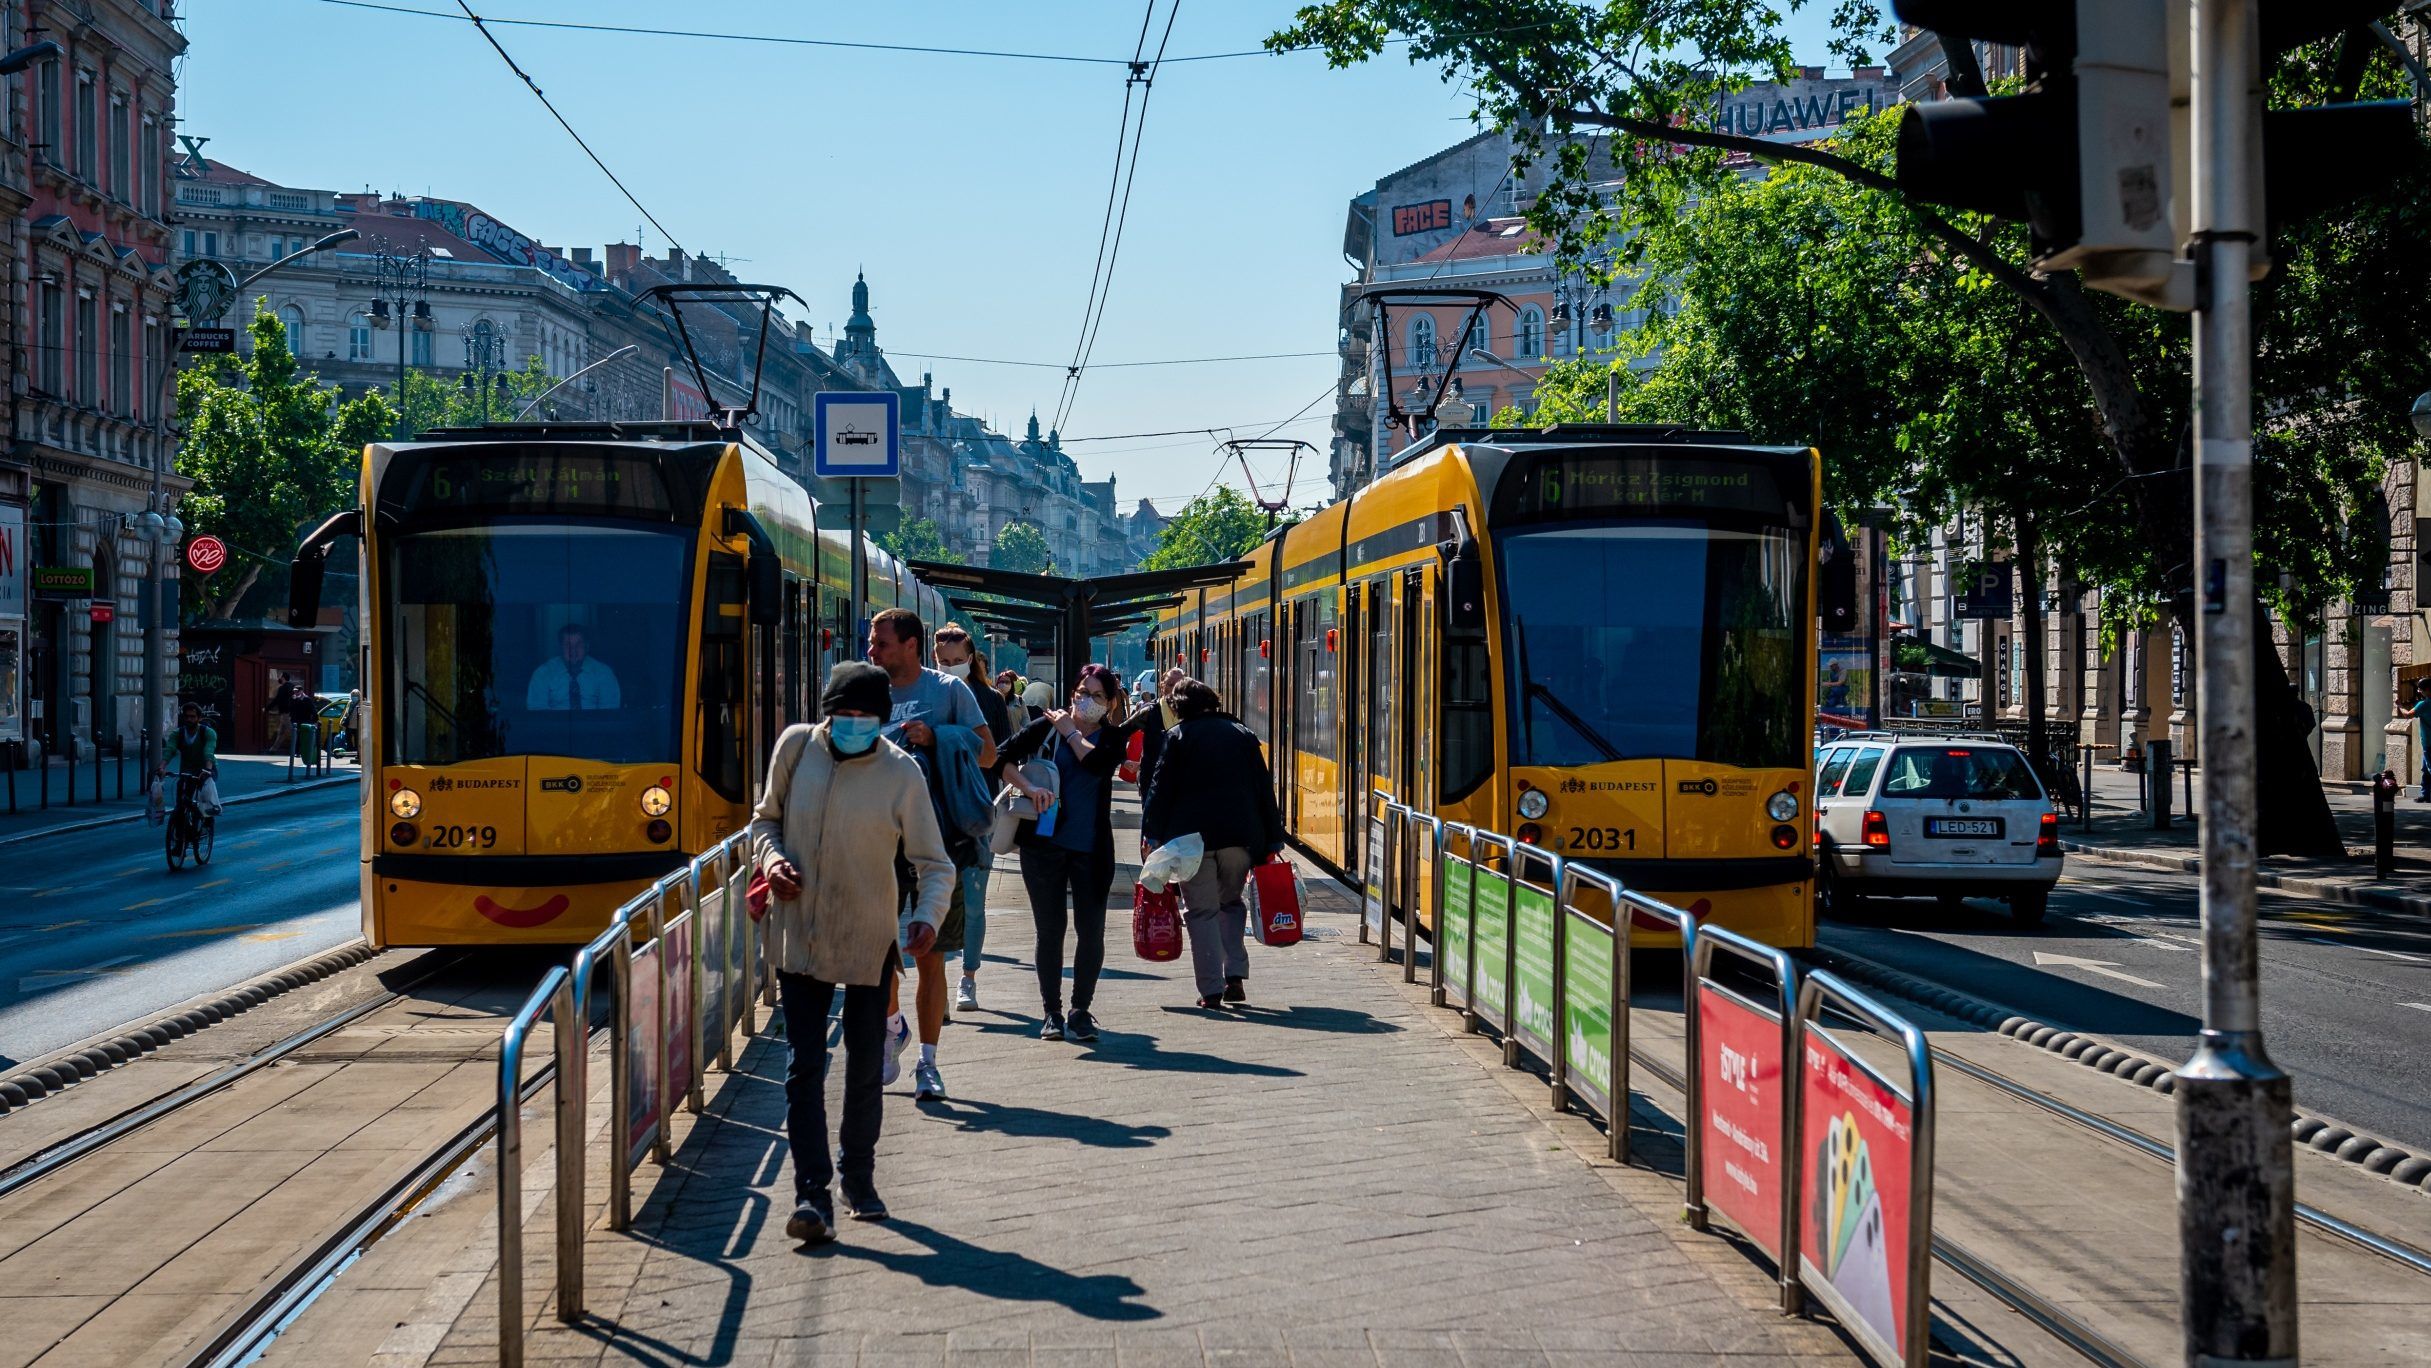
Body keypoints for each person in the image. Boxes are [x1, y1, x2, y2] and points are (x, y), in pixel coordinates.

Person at [750, 661, 954, 1244]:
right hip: (801, 939)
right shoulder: (795, 748)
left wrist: (924, 919)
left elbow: (933, 863)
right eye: (845, 715)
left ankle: (858, 1179)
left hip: (870, 939)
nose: (855, 725)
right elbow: (764, 822)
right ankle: (812, 1194)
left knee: (865, 1066)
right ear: (828, 712)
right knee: (803, 1067)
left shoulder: (901, 774)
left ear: (882, 720)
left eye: (867, 717)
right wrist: (772, 862)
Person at [867, 608, 996, 1101]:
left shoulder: (948, 691)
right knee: (879, 954)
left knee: (931, 956)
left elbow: (987, 753)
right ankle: (892, 1025)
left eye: (881, 643)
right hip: (877, 844)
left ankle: (928, 1062)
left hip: (939, 846)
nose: (872, 651)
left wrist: (936, 736)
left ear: (910, 645)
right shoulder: (866, 692)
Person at [998, 663, 1133, 1042]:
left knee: (1091, 932)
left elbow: (1096, 764)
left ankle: (1081, 1009)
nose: (1085, 700)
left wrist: (1070, 730)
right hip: (1043, 846)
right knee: (1050, 930)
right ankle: (1052, 1012)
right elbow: (1001, 759)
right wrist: (1028, 788)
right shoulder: (1043, 727)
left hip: (1091, 850)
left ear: (1108, 703)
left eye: (1096, 696)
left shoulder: (1111, 738)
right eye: (1081, 692)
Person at [1143, 678, 1285, 1008]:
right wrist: (1272, 840)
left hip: (1193, 843)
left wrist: (1152, 835)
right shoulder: (1243, 735)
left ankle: (1210, 991)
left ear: (1179, 707)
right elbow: (1264, 791)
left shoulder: (1178, 737)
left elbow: (1159, 790)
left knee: (1201, 912)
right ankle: (1234, 974)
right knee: (1231, 904)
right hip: (1240, 839)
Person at [933, 624, 1013, 1013]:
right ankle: (940, 987)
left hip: (979, 813)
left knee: (974, 902)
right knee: (935, 902)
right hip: (933, 814)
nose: (951, 668)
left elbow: (1001, 755)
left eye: (958, 661)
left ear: (971, 660)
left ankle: (969, 978)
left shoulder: (990, 700)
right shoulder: (929, 697)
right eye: (943, 661)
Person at [526, 623, 622, 711]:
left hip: (594, 728)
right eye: (567, 645)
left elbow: (610, 714)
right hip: (555, 728)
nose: (573, 650)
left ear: (587, 647)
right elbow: (537, 713)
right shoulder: (542, 674)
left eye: (579, 645)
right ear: (560, 648)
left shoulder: (604, 673)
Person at [159, 702, 222, 819]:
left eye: (193, 717)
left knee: (204, 797)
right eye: (187, 716)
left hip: (206, 768)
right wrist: (162, 767)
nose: (189, 719)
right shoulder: (177, 734)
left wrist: (207, 770)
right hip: (187, 769)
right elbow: (170, 750)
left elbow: (209, 752)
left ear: (199, 718)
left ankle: (206, 821)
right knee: (181, 798)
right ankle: (179, 826)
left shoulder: (208, 733)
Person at [2407, 678, 2431, 801]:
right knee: (2425, 770)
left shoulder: (2425, 704)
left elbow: (2407, 714)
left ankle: (2426, 794)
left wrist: (2400, 705)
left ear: (2427, 690)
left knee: (2429, 768)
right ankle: (2426, 794)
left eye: (2420, 689)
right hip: (2428, 742)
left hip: (2429, 742)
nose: (2418, 691)